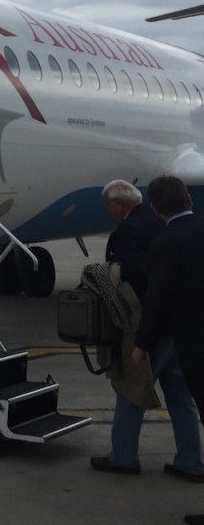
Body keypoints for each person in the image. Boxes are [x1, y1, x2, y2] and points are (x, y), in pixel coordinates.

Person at [90, 180, 204, 479]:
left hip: (158, 328)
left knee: (131, 388)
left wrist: (142, 340)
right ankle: (190, 460)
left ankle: (123, 456)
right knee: (180, 395)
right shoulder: (168, 226)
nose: (106, 211)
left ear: (119, 204)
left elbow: (152, 289)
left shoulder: (133, 231)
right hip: (185, 331)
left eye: (107, 205)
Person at [130, 176, 204, 525]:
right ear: (189, 197)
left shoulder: (167, 242)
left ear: (155, 208)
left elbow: (158, 301)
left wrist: (142, 343)